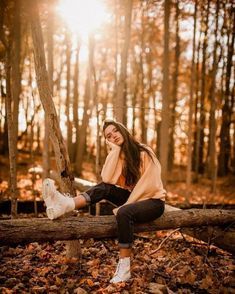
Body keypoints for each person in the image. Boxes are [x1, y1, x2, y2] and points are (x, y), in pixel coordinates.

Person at [42, 119, 166, 283]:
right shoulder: (119, 155)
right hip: (135, 199)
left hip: (153, 201)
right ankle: (66, 205)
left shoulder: (144, 151)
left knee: (124, 212)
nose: (113, 136)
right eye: (109, 136)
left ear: (122, 129)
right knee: (104, 188)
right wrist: (115, 150)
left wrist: (129, 204)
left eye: (115, 131)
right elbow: (106, 179)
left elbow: (149, 185)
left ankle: (125, 269)